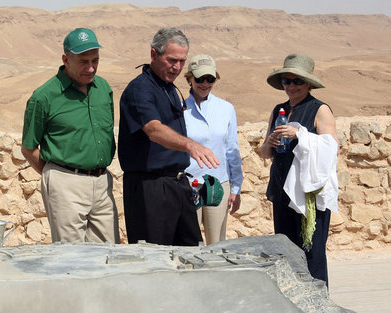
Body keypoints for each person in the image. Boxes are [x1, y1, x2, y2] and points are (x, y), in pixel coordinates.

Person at [118, 27, 220, 246]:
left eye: (182, 61)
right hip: (150, 187)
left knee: (190, 251)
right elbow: (153, 129)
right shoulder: (140, 89)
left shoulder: (169, 88)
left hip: (177, 183)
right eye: (172, 60)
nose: (177, 67)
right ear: (154, 54)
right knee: (153, 256)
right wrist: (190, 146)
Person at [21, 28, 120, 244]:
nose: (91, 67)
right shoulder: (44, 96)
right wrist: (57, 174)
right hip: (65, 184)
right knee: (71, 260)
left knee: (110, 255)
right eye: (83, 61)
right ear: (66, 59)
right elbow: (29, 148)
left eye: (95, 60)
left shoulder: (103, 88)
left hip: (103, 183)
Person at [260, 53, 338, 286]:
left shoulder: (319, 109)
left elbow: (332, 147)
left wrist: (301, 135)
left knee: (311, 251)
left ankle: (318, 304)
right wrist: (270, 144)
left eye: (297, 81)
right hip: (282, 190)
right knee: (286, 250)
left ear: (308, 83)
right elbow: (264, 152)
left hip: (308, 195)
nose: (291, 87)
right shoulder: (279, 110)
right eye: (287, 81)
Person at [183, 54, 243, 245]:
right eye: (200, 79)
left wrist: (236, 188)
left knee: (217, 243)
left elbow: (232, 149)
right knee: (189, 242)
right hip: (189, 183)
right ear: (190, 78)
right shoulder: (179, 108)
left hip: (218, 184)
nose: (205, 84)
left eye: (210, 79)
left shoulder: (226, 108)